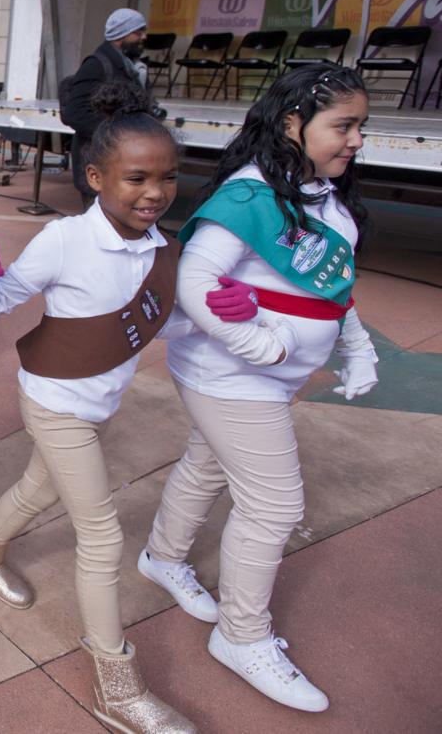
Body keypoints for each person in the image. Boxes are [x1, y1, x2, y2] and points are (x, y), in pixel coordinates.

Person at [0, 81, 198, 733]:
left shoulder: (163, 249)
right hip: (55, 399)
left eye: (168, 177)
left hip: (99, 401)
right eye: (136, 177)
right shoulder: (65, 239)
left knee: (39, 484)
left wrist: (229, 322)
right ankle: (116, 684)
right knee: (103, 533)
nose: (155, 191)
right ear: (94, 175)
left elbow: (155, 322)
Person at [139, 65, 377, 714]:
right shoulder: (249, 197)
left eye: (361, 126)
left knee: (209, 461)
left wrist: (357, 348)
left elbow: (332, 287)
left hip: (271, 378)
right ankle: (241, 635)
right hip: (231, 376)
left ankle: (163, 556)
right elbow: (194, 282)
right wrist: (253, 344)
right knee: (273, 504)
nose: (356, 138)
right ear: (294, 123)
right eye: (344, 125)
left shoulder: (325, 193)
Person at [60, 8, 149, 206]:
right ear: (121, 35)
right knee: (100, 226)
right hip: (98, 157)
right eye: (138, 32)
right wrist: (116, 132)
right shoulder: (98, 65)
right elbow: (74, 112)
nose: (144, 36)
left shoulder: (130, 66)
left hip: (120, 156)